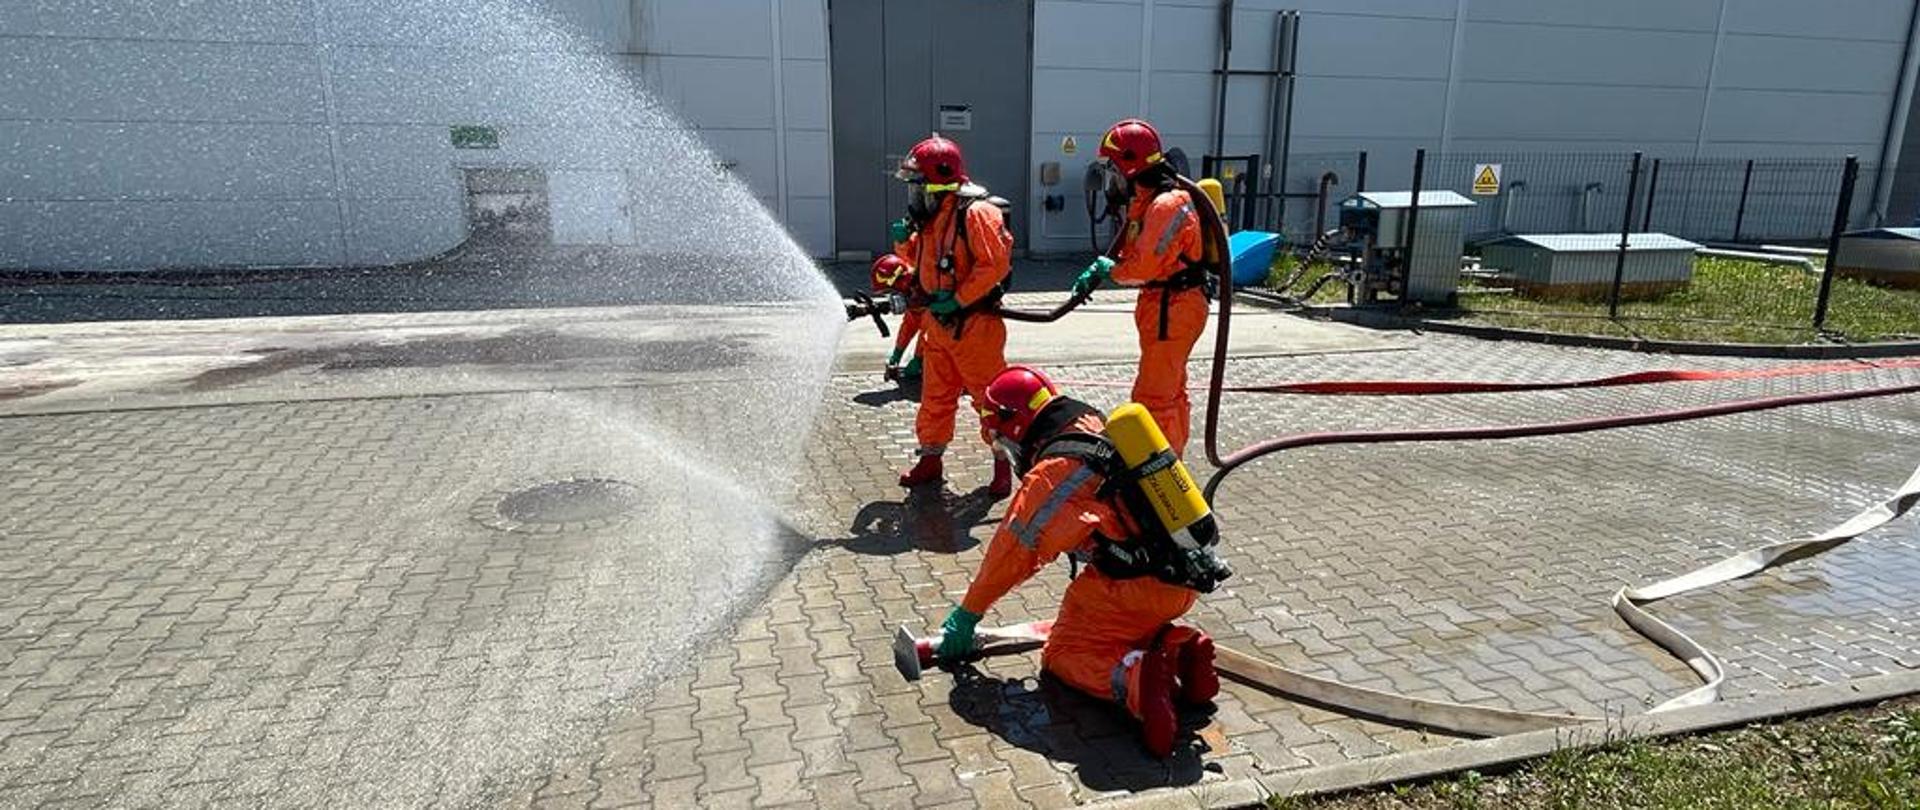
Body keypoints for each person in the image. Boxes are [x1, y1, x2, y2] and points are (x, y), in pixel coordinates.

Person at [936, 365, 1222, 757]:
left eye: (1003, 443)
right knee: (1118, 631)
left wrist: (968, 614)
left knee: (1064, 652)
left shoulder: (1056, 471)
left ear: (1015, 425)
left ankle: (1134, 678)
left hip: (1128, 588)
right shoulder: (1093, 425)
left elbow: (1014, 553)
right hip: (1181, 579)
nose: (1008, 453)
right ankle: (1180, 645)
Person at [1072, 119, 1223, 458]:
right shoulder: (1149, 200)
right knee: (1171, 391)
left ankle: (1159, 471)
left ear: (1129, 165)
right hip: (1166, 306)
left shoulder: (1165, 205)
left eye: (1113, 169)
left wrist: (1110, 269)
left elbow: (1141, 266)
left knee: (1156, 396)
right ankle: (1172, 459)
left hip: (1174, 308)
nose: (1110, 179)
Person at [890, 135, 1015, 496]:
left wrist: (958, 300)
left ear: (940, 182)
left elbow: (994, 265)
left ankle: (1003, 463)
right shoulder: (932, 220)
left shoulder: (976, 213)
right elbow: (920, 264)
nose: (914, 197)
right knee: (935, 398)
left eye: (918, 187)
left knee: (990, 401)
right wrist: (903, 244)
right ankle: (931, 460)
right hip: (938, 327)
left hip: (976, 328)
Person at [869, 253, 924, 383]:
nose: (893, 297)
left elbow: (931, 333)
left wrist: (918, 358)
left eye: (892, 290)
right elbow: (909, 325)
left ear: (901, 281)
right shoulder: (913, 294)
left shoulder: (925, 290)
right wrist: (897, 354)